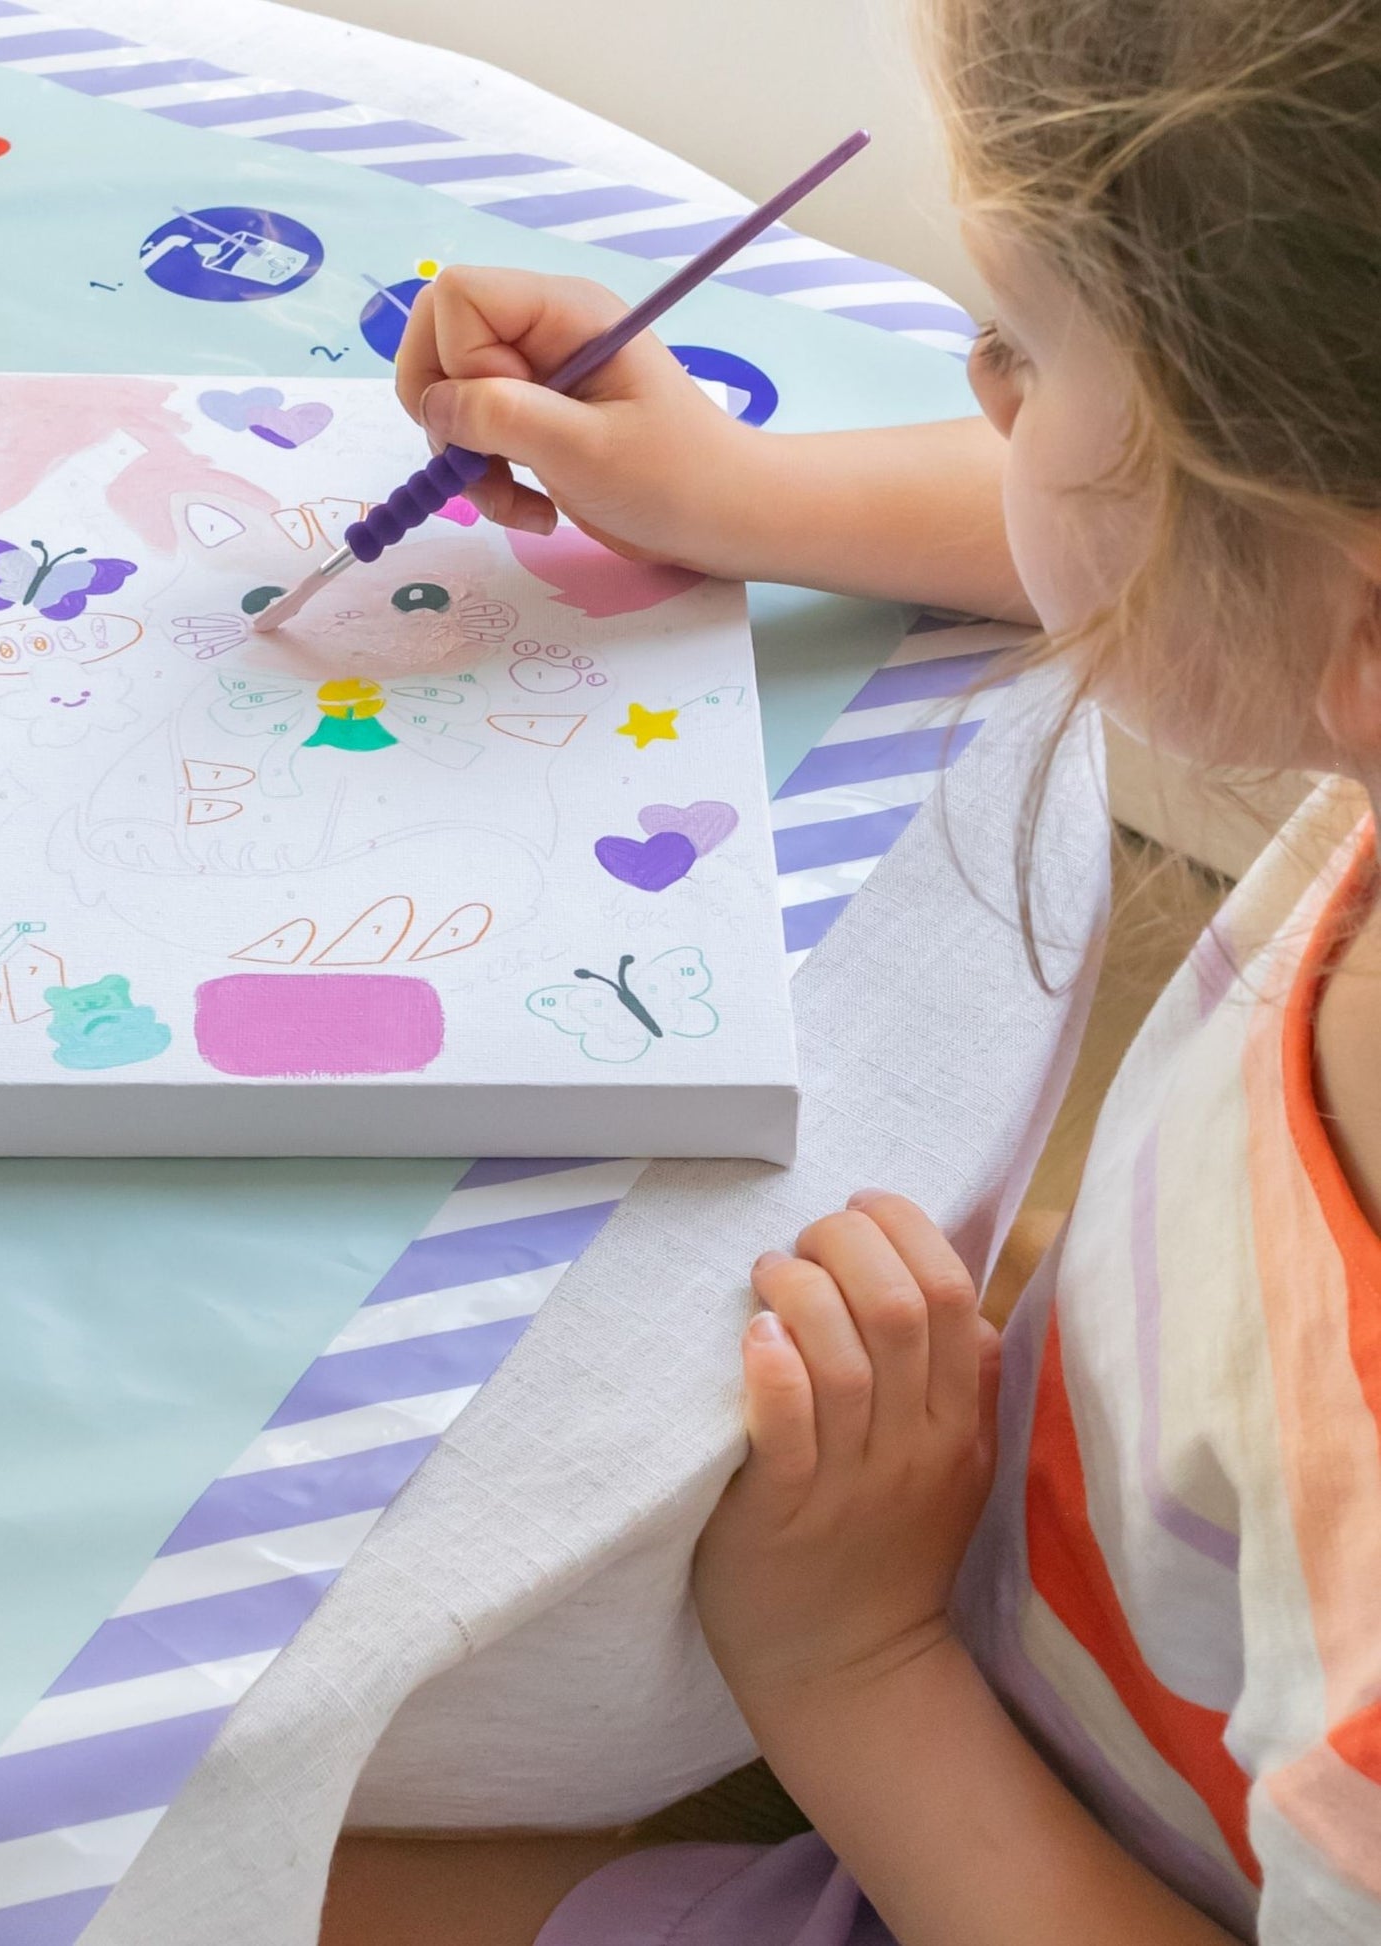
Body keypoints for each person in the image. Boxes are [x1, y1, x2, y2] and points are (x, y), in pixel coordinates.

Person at [321, 0, 1381, 1939]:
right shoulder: (1338, 652)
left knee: (170, 1872)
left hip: (1007, 1839)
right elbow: (1193, 546)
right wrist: (724, 496)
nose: (979, 386)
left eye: (1028, 351)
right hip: (1061, 1570)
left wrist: (853, 1663)